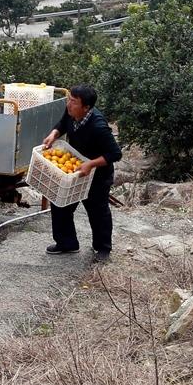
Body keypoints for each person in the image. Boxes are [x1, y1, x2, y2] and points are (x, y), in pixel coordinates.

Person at [41, 84, 122, 261]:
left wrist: (91, 164)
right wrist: (54, 134)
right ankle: (66, 243)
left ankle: (102, 249)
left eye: (74, 102)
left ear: (86, 107)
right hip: (75, 168)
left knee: (97, 210)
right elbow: (63, 123)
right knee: (60, 202)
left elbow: (115, 153)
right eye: (69, 99)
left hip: (97, 174)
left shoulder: (98, 126)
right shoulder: (71, 112)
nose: (69, 104)